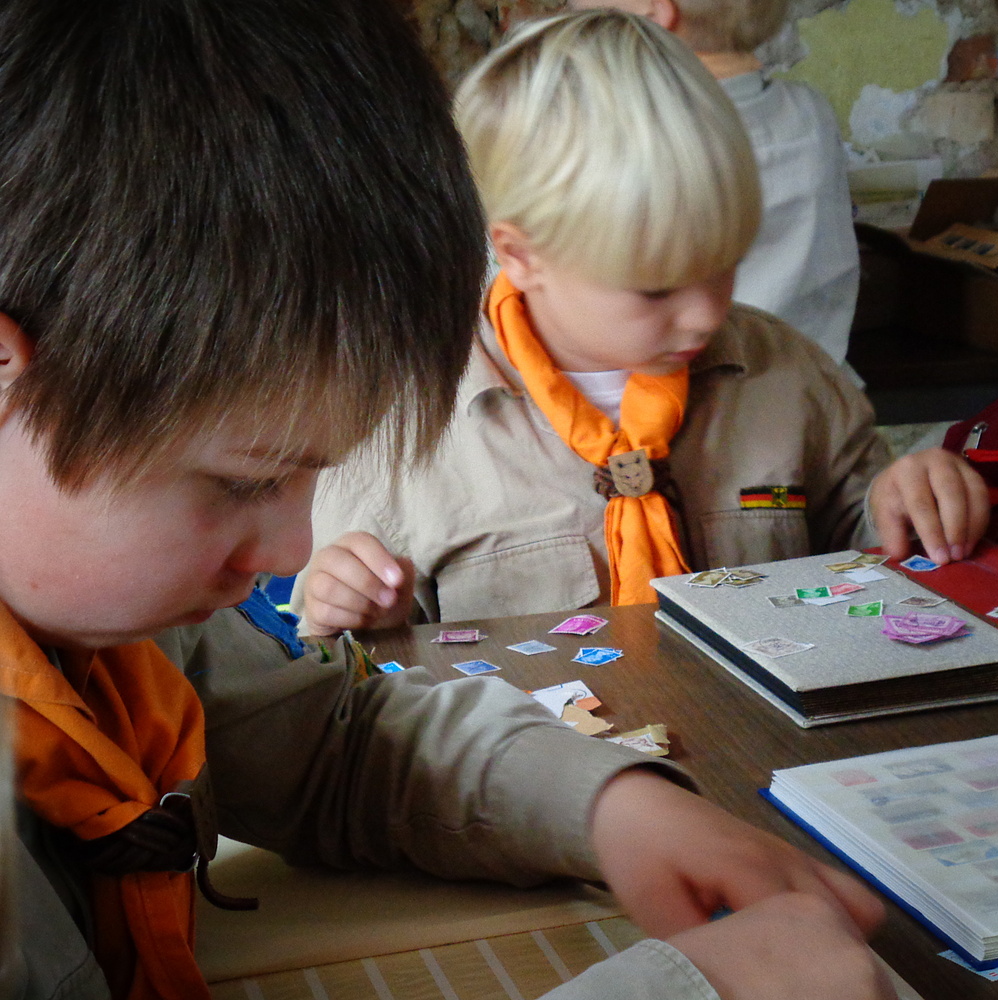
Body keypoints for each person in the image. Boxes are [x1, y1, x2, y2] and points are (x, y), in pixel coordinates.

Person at [0, 2, 896, 1000]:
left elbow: (334, 749)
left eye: (307, 477)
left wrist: (608, 804)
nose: (294, 543)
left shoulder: (119, 631)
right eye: (242, 481)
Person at [297, 10, 988, 634]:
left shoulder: (790, 375)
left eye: (724, 265)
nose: (705, 313)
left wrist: (907, 500)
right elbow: (350, 678)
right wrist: (356, 611)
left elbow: (867, 543)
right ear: (520, 255)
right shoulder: (402, 427)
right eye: (655, 290)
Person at [568, 0, 860, 375]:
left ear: (654, 12)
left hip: (683, 395)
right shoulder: (810, 113)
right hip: (814, 381)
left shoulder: (628, 134)